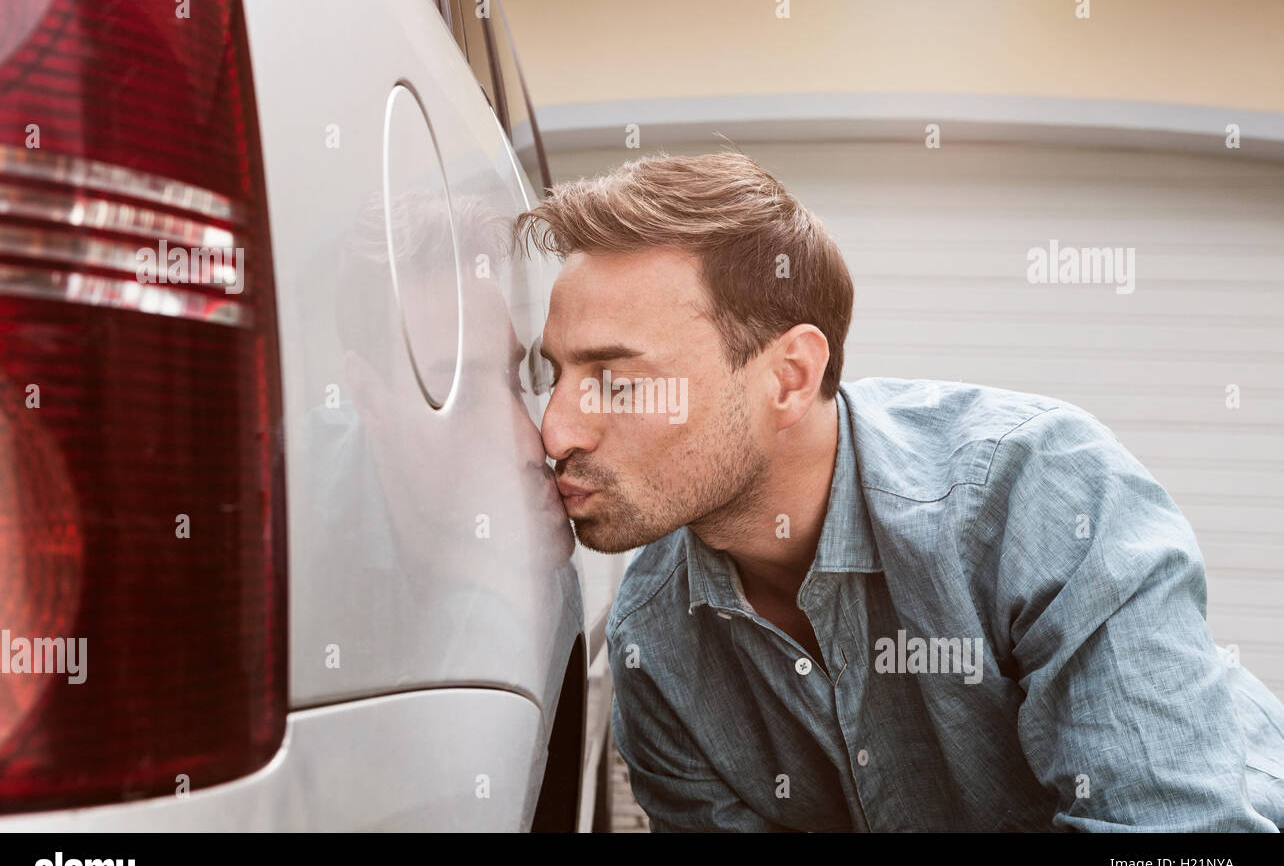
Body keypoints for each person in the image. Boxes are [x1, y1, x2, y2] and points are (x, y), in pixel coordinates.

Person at [512, 150, 1284, 831]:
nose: (555, 432)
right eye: (554, 375)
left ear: (788, 377)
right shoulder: (655, 645)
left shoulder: (1035, 491)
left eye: (616, 380)